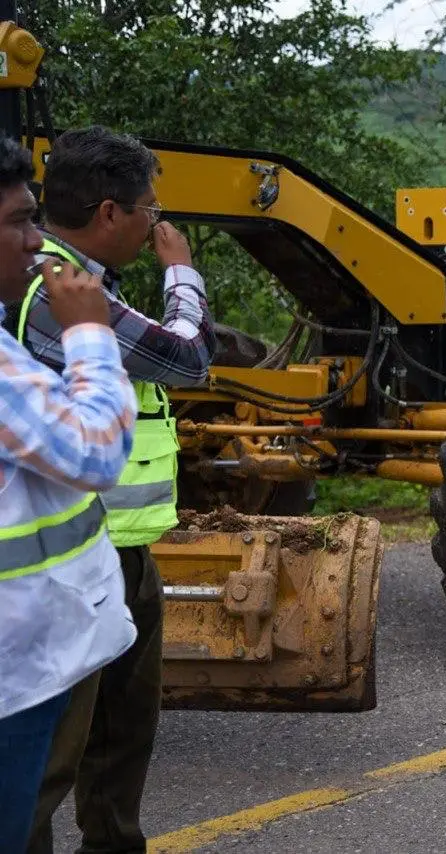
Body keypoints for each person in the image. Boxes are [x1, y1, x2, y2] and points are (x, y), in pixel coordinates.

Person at [14, 126, 217, 854]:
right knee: (52, 758)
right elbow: (188, 360)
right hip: (70, 560)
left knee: (122, 739)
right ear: (108, 212)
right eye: (148, 210)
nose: (155, 224)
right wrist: (182, 273)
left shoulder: (72, 283)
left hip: (120, 547)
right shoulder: (63, 290)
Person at [0, 136, 138, 845]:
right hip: (22, 666)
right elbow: (94, 451)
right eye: (21, 221)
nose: (36, 242)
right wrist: (91, 334)